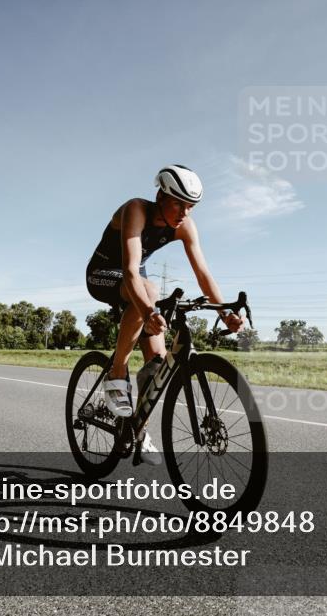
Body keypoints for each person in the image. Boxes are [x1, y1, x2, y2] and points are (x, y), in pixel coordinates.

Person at [85, 165, 244, 464]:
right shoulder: (136, 209)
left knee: (157, 363)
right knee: (150, 288)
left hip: (138, 282)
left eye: (191, 206)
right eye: (178, 204)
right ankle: (116, 373)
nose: (184, 213)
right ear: (160, 196)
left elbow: (203, 274)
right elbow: (130, 271)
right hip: (104, 274)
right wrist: (148, 311)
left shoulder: (185, 226)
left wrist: (225, 312)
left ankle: (137, 429)